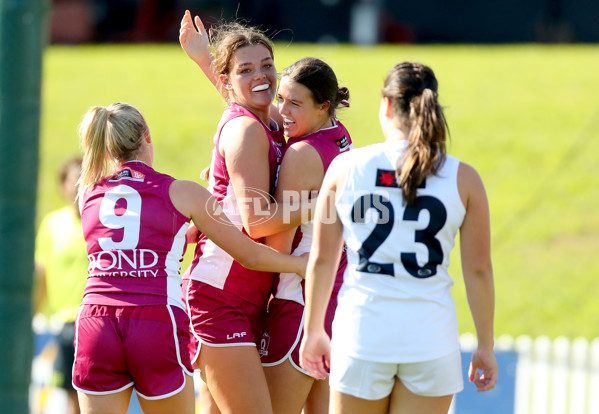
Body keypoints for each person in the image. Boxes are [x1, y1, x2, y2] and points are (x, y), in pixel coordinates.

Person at [73, 102, 307, 414]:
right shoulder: (183, 192)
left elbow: (134, 236)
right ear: (147, 137)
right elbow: (250, 255)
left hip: (96, 323)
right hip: (155, 319)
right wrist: (303, 265)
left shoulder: (87, 192)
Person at [300, 62, 498, 414]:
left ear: (387, 105)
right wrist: (485, 343)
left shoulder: (346, 167)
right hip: (431, 341)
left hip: (362, 334)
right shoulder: (464, 178)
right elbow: (479, 270)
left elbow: (323, 259)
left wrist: (314, 330)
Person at [179, 11, 317, 414]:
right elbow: (257, 222)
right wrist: (326, 205)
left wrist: (206, 59)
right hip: (219, 295)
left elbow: (242, 94)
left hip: (250, 295)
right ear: (228, 80)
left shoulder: (267, 120)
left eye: (267, 65)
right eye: (246, 69)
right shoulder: (246, 130)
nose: (262, 76)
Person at [260, 57, 352, 414]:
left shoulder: (301, 154)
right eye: (280, 98)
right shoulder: (339, 135)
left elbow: (276, 240)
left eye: (295, 103)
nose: (282, 111)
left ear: (323, 105)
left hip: (297, 300)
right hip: (335, 296)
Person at [34, 156, 87, 414]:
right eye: (73, 179)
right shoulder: (53, 225)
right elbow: (41, 273)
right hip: (66, 324)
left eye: (83, 177)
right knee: (72, 398)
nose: (78, 184)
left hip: (100, 320)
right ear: (62, 186)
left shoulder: (104, 220)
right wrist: (32, 314)